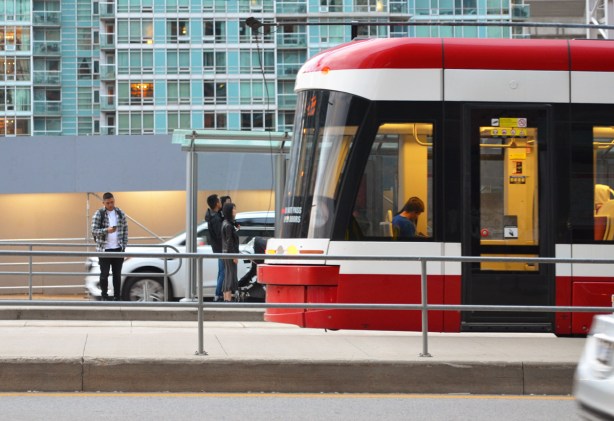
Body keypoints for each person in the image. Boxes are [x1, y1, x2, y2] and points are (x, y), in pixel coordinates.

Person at [91, 192, 128, 301]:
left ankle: (117, 297)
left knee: (117, 275)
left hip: (118, 249)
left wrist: (123, 246)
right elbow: (93, 231)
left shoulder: (120, 213)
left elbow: (125, 230)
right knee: (104, 274)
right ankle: (104, 296)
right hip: (104, 249)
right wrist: (107, 230)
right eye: (108, 203)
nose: (110, 205)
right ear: (103, 203)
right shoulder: (99, 214)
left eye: (112, 202)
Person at [205, 194, 224, 302]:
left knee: (221, 271)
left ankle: (218, 294)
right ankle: (218, 294)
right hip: (221, 249)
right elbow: (220, 235)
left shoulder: (213, 216)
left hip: (218, 248)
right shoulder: (216, 218)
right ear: (217, 204)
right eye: (219, 201)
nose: (221, 203)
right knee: (223, 272)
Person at [221, 201, 239, 302]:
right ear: (229, 211)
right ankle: (227, 300)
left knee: (227, 275)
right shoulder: (228, 225)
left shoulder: (225, 223)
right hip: (229, 253)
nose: (235, 211)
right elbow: (230, 242)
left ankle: (225, 298)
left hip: (225, 253)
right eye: (234, 209)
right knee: (230, 276)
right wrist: (234, 256)